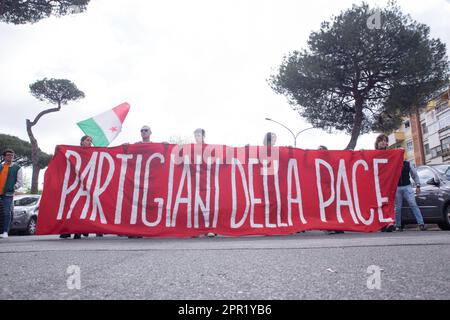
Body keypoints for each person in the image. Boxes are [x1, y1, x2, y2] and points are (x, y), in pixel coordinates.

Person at [374, 134, 426, 232]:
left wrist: (418, 185)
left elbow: (414, 175)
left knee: (413, 204)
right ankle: (398, 225)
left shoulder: (407, 163)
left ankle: (421, 224)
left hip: (407, 186)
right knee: (397, 207)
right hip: (396, 188)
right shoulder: (392, 163)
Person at [60, 136, 96, 239]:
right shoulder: (74, 152)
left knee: (80, 207)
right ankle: (67, 230)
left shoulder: (94, 153)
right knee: (70, 206)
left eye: (91, 141)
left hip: (85, 184)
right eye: (87, 140)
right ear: (81, 142)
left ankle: (78, 230)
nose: (89, 143)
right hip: (74, 182)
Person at [0, 149, 23, 239]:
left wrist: (13, 187)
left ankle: (5, 231)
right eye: (8, 155)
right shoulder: (0, 166)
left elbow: (20, 182)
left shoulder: (17, 167)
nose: (10, 157)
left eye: (12, 155)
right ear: (4, 156)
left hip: (8, 193)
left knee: (7, 212)